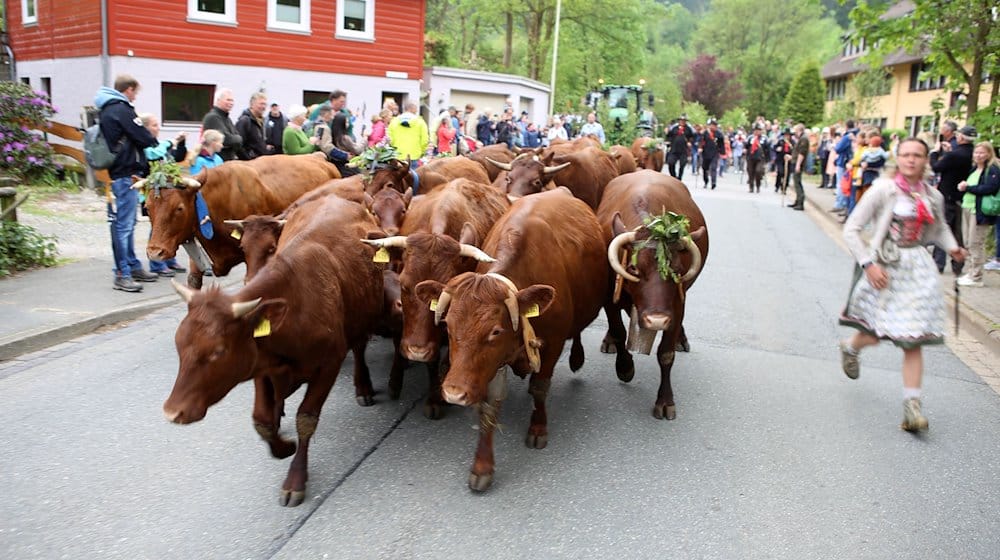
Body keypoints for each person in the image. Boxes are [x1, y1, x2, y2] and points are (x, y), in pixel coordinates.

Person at [839, 137, 965, 433]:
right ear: (898, 159)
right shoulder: (882, 190)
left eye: (917, 155)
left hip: (917, 268)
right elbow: (852, 229)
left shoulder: (932, 195)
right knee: (875, 334)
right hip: (883, 266)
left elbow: (939, 228)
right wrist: (868, 265)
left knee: (912, 338)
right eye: (906, 155)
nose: (911, 160)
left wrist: (953, 248)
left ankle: (912, 407)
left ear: (925, 160)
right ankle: (851, 347)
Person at [94, 75, 160, 292]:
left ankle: (132, 265)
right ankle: (122, 273)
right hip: (125, 173)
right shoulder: (121, 109)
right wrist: (152, 140)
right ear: (128, 90)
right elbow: (142, 136)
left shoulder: (106, 109)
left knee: (128, 224)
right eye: (135, 92)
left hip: (120, 172)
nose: (135, 96)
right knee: (123, 226)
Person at [139, 113, 188, 277]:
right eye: (154, 125)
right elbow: (154, 155)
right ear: (145, 129)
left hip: (165, 196)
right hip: (153, 196)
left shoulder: (159, 145)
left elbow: (175, 158)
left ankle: (169, 258)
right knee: (156, 227)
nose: (157, 128)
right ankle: (156, 263)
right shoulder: (145, 144)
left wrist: (180, 144)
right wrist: (171, 142)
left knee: (167, 224)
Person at [930, 124, 974, 275]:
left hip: (947, 194)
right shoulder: (971, 153)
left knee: (943, 227)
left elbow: (936, 167)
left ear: (960, 137)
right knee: (957, 231)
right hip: (961, 196)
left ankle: (938, 263)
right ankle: (957, 265)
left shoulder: (955, 155)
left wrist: (935, 153)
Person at [955, 139, 1000, 286]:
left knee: (976, 243)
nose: (978, 155)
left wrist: (968, 188)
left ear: (988, 154)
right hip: (968, 207)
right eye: (976, 152)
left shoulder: (992, 169)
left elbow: (990, 188)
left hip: (980, 211)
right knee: (968, 242)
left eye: (982, 152)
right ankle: (971, 272)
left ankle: (976, 276)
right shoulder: (974, 169)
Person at [201, 88, 243, 161]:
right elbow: (226, 139)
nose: (231, 103)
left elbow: (238, 139)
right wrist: (237, 139)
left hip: (227, 161)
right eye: (228, 100)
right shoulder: (213, 117)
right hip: (215, 162)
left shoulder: (227, 118)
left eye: (232, 100)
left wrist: (237, 139)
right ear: (218, 100)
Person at [387, 101, 428, 170]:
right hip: (414, 156)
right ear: (412, 109)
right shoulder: (420, 121)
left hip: (397, 156)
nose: (417, 111)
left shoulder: (394, 121)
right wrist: (422, 152)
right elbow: (424, 140)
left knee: (398, 180)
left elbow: (390, 140)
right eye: (416, 109)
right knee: (413, 179)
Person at [235, 91, 271, 160]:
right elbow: (238, 145)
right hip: (249, 164)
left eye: (265, 104)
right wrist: (248, 160)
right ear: (252, 104)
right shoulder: (245, 121)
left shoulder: (261, 121)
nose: (263, 107)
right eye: (261, 104)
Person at [788, 123, 810, 210]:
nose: (795, 133)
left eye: (796, 131)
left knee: (797, 183)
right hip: (795, 161)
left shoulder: (804, 139)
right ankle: (797, 200)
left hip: (798, 163)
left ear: (799, 130)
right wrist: (791, 157)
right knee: (795, 182)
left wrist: (798, 164)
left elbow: (802, 153)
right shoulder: (801, 138)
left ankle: (800, 202)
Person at [665, 115, 693, 180]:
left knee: (682, 164)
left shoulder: (688, 129)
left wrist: (690, 142)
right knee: (671, 163)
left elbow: (692, 137)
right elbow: (669, 136)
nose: (682, 122)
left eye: (683, 121)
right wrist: (668, 141)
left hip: (683, 150)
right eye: (681, 120)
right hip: (674, 149)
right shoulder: (674, 128)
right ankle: (673, 176)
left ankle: (679, 177)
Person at [698, 119, 724, 189]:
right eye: (712, 125)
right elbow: (701, 141)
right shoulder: (705, 133)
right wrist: (700, 148)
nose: (713, 127)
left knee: (713, 168)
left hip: (714, 153)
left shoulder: (719, 134)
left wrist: (722, 152)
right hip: (706, 152)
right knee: (705, 168)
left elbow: (721, 144)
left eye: (714, 125)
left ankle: (713, 182)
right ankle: (706, 181)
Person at [745, 124, 769, 193]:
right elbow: (746, 146)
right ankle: (751, 187)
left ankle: (758, 185)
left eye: (758, 130)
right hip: (751, 157)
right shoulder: (750, 138)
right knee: (750, 172)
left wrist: (767, 159)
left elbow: (767, 149)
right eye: (756, 130)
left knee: (758, 171)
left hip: (760, 158)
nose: (757, 132)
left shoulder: (764, 139)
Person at [773, 128, 794, 194]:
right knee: (780, 172)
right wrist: (777, 149)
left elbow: (795, 150)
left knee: (787, 174)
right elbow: (774, 148)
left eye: (788, 135)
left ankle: (784, 187)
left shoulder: (793, 142)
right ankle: (777, 186)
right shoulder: (780, 141)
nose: (787, 136)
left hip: (789, 160)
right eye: (785, 135)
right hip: (780, 159)